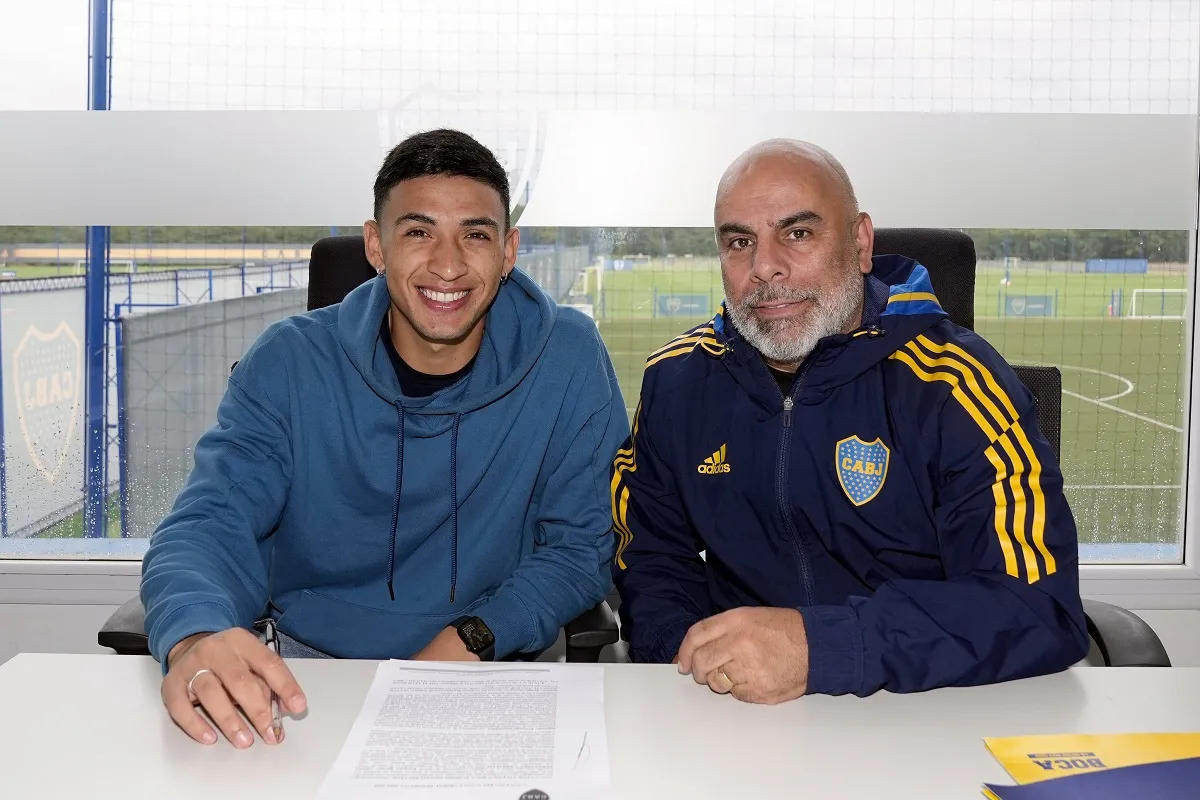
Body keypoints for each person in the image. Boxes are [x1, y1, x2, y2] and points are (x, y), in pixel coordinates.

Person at [141, 128, 628, 747]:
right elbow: (210, 521)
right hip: (305, 681)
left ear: (508, 251)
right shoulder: (289, 362)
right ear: (376, 245)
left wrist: (467, 643)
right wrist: (194, 634)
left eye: (475, 235)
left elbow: (579, 548)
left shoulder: (568, 358)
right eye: (418, 232)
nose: (447, 265)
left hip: (486, 671)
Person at [611, 139, 1088, 702]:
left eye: (798, 233)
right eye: (740, 242)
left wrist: (822, 648)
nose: (764, 267)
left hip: (925, 708)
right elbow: (649, 559)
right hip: (737, 714)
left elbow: (1036, 606)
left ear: (860, 243)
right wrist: (689, 658)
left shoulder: (958, 385)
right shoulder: (676, 382)